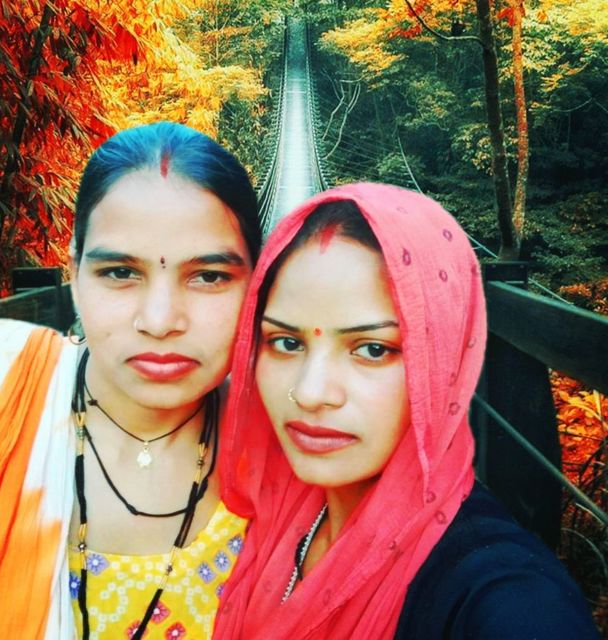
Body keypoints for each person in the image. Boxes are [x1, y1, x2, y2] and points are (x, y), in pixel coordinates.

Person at [214, 183, 600, 639]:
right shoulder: (275, 505)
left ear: (445, 360)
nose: (311, 393)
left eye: (373, 349)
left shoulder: (502, 594)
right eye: (285, 342)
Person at [0, 121, 261, 640]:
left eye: (209, 276)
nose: (160, 320)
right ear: (74, 274)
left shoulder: (289, 448)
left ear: (256, 284)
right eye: (121, 273)